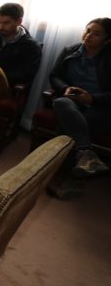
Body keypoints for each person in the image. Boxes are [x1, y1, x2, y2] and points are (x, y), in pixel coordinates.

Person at [49, 18, 111, 179]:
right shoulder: (70, 51)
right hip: (72, 100)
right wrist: (65, 88)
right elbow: (54, 76)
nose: (88, 35)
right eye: (87, 30)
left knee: (77, 123)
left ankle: (63, 174)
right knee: (61, 102)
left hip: (99, 105)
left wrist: (92, 99)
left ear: (107, 40)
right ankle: (85, 154)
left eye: (96, 34)